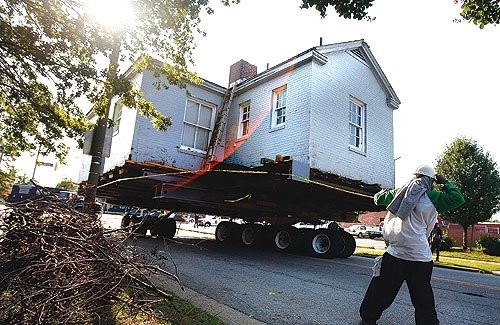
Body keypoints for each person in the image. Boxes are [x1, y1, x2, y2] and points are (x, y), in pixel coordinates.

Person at [359, 165, 464, 325]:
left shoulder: (398, 193)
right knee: (423, 297)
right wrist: (446, 182)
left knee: (381, 289)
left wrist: (387, 190)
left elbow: (377, 199)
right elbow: (458, 198)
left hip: (395, 254)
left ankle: (368, 318)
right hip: (419, 257)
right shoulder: (434, 196)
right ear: (431, 181)